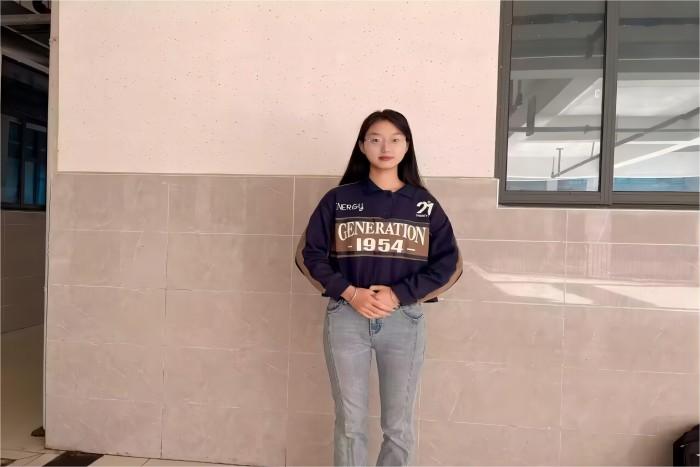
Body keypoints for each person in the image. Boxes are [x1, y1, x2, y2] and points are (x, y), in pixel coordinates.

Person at [294, 109, 463, 466]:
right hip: (346, 318)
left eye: (395, 139)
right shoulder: (338, 199)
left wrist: (398, 294)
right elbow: (309, 254)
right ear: (362, 146)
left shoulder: (424, 204)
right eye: (375, 139)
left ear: (407, 146)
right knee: (350, 423)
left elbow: (449, 263)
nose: (385, 147)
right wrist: (351, 292)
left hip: (404, 321)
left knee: (398, 426)